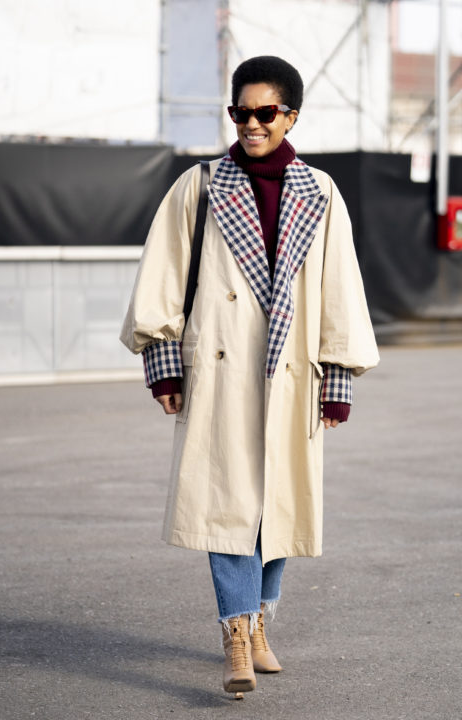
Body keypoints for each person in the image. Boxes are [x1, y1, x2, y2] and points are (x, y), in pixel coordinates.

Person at [120, 55, 379, 697]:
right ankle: (236, 631)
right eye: (241, 112)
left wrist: (338, 381)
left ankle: (262, 619)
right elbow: (162, 277)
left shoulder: (320, 192)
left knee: (279, 505)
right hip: (221, 374)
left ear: (291, 114)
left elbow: (340, 285)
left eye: (266, 112)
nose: (252, 124)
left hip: (291, 375)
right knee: (226, 500)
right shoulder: (200, 185)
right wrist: (163, 368)